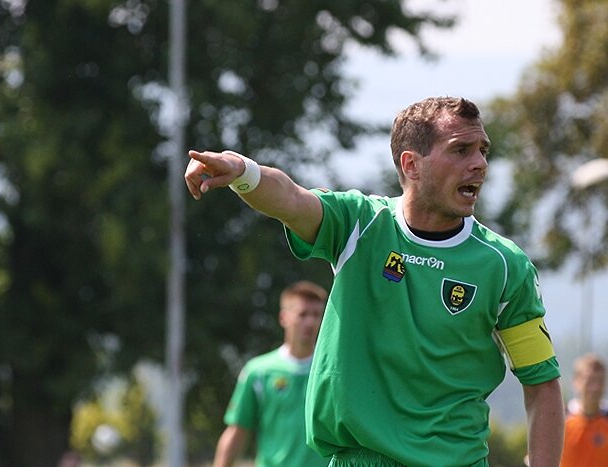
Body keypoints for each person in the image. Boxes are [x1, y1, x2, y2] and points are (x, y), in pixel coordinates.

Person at [186, 96, 564, 467]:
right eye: (461, 150)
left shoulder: (506, 266)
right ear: (411, 165)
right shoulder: (360, 224)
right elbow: (291, 199)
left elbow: (542, 382)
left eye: (483, 150)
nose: (479, 163)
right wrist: (243, 171)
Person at [212, 280, 330, 467]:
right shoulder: (259, 372)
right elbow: (237, 432)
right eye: (302, 314)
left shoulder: (331, 371)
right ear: (284, 318)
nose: (310, 322)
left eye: (317, 315)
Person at [560, 353, 608, 466]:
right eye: (590, 381)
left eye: (600, 381)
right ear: (576, 382)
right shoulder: (559, 419)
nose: (595, 388)